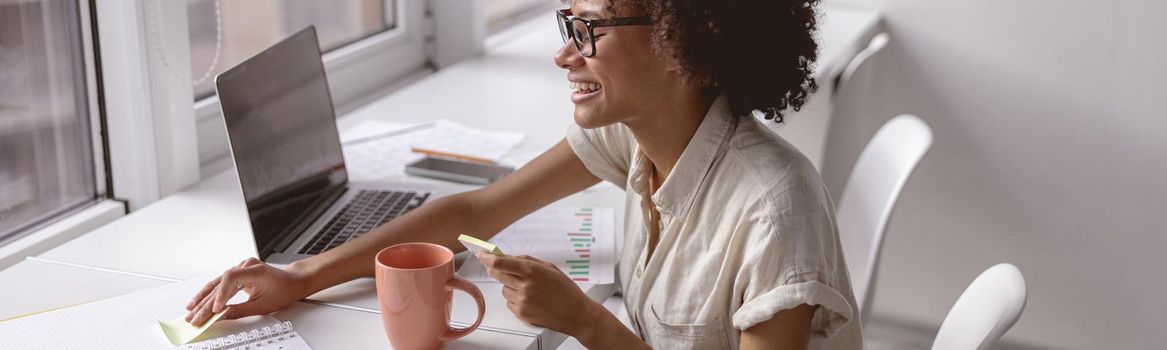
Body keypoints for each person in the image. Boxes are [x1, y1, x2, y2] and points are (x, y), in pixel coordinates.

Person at [185, 0, 861, 348]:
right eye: (567, 22)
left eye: (590, 29)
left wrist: (585, 322)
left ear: (687, 39)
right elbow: (474, 215)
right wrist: (300, 275)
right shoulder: (640, 140)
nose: (565, 54)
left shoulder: (773, 208)